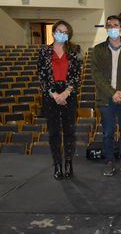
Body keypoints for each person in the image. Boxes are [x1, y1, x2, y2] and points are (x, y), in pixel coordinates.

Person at [92, 15, 121, 176]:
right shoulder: (98, 50)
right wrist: (112, 93)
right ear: (106, 28)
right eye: (109, 25)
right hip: (106, 98)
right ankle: (109, 162)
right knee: (108, 133)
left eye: (115, 25)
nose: (112, 28)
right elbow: (96, 75)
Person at [38, 20, 81, 180]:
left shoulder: (75, 50)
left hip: (69, 94)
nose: (62, 34)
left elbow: (77, 75)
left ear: (68, 34)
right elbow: (42, 75)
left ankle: (68, 163)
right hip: (51, 95)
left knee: (69, 131)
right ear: (54, 31)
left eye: (65, 32)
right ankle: (57, 165)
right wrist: (55, 94)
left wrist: (66, 93)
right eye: (59, 31)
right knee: (54, 133)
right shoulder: (44, 51)